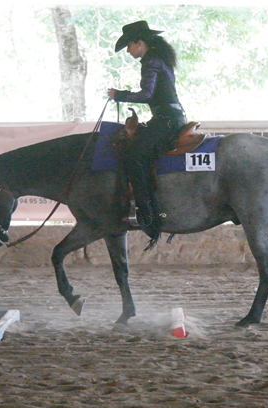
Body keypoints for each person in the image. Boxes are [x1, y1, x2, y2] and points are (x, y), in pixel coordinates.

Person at [108, 20, 187, 250]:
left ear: (140, 43)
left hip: (166, 120)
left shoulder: (151, 61)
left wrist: (119, 95)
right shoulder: (158, 58)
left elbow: (147, 94)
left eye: (129, 46)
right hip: (170, 117)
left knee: (134, 155)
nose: (128, 51)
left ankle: (148, 214)